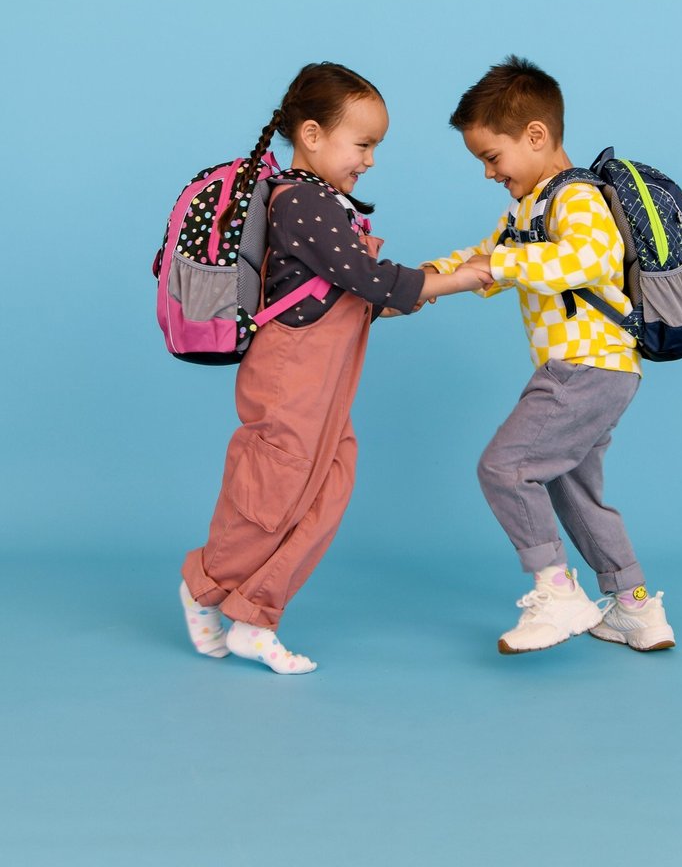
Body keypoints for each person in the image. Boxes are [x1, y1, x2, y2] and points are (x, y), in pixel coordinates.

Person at [179, 62, 491, 674]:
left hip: (327, 377)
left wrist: (415, 292)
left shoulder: (330, 205)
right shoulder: (301, 201)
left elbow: (356, 295)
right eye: (364, 143)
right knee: (274, 489)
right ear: (314, 134)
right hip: (291, 374)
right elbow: (369, 278)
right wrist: (459, 279)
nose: (370, 159)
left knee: (329, 487)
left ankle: (253, 611)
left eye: (377, 146)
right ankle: (206, 585)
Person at [423, 55, 675, 654]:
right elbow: (479, 256)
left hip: (584, 367)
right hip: (602, 369)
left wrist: (500, 265)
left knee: (505, 467)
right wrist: (419, 281)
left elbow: (589, 261)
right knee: (571, 488)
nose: (488, 173)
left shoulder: (576, 196)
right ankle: (635, 608)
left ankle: (556, 588)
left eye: (491, 156)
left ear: (536, 136)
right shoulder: (527, 208)